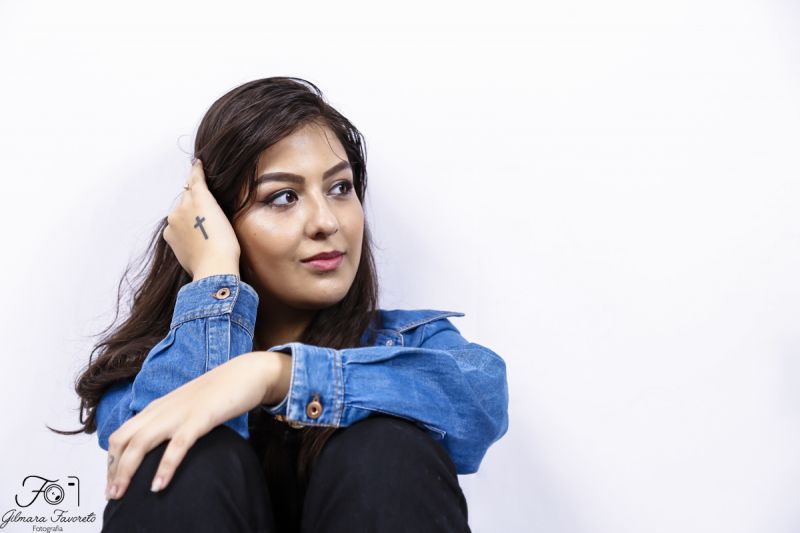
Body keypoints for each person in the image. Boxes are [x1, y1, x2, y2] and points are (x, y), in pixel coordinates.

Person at [49, 76, 509, 532]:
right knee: (184, 454)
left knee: (385, 447)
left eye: (340, 188)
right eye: (283, 197)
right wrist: (214, 271)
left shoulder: (412, 344)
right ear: (221, 221)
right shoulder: (146, 375)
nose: (326, 222)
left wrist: (273, 376)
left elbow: (480, 402)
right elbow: (165, 470)